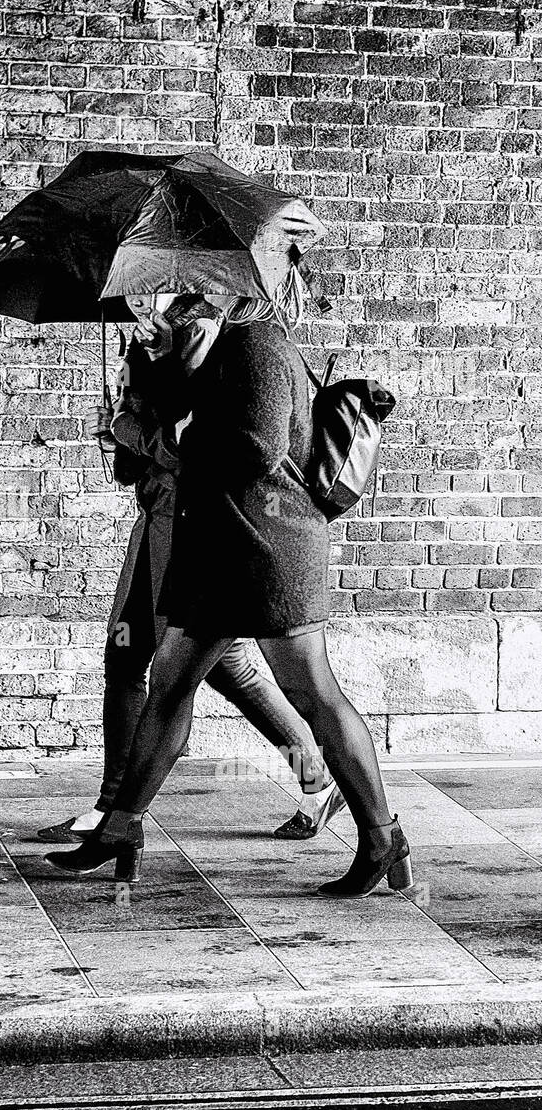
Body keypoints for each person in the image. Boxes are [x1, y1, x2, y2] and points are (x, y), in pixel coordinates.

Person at [47, 278, 412, 897]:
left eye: (176, 300)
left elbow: (257, 450)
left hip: (271, 549)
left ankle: (382, 836)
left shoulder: (258, 344)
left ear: (210, 298)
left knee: (313, 691)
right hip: (219, 549)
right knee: (170, 682)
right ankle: (121, 826)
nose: (163, 310)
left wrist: (177, 433)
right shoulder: (201, 353)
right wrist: (166, 391)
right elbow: (178, 436)